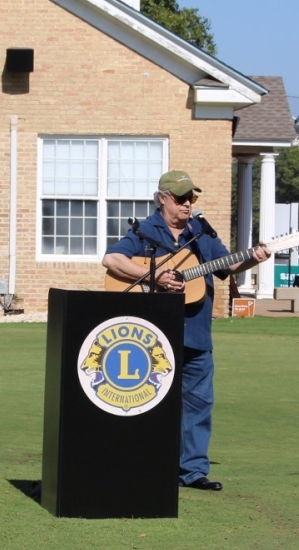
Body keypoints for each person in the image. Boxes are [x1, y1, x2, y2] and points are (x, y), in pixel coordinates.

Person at [102, 170, 271, 492]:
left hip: (196, 332)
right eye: (181, 198)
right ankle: (143, 462)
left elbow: (227, 265)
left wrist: (254, 258)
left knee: (198, 402)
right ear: (163, 198)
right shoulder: (145, 231)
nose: (188, 204)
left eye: (191, 198)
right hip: (151, 335)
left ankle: (192, 472)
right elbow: (111, 260)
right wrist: (154, 277)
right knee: (148, 399)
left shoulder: (202, 233)